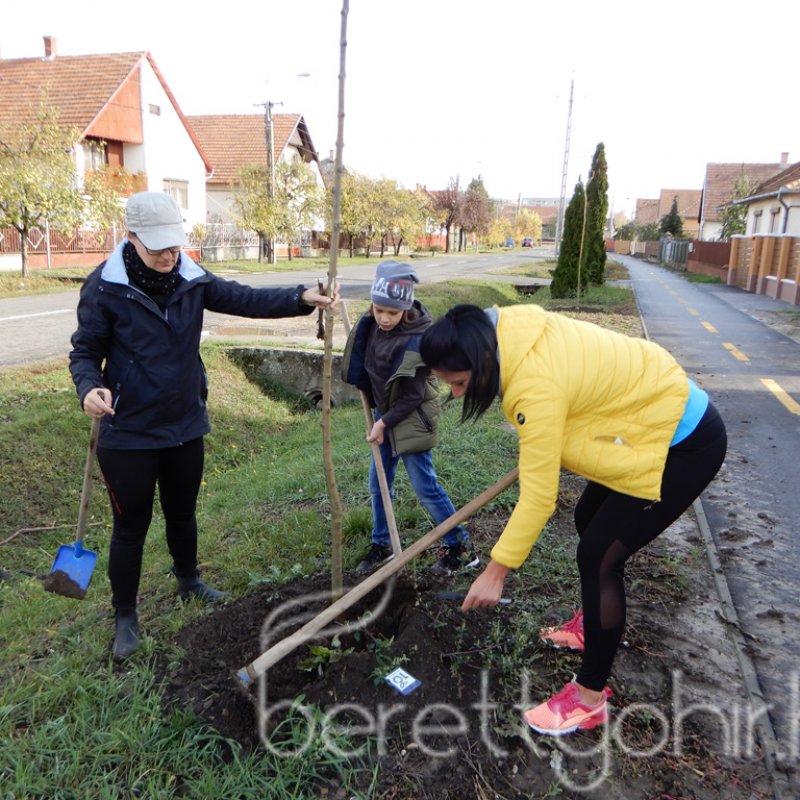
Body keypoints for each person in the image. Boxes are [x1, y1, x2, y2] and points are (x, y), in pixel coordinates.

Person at [419, 303, 727, 736]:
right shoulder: (511, 330)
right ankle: (590, 628)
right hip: (640, 419)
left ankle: (588, 699)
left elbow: (540, 497)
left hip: (680, 442)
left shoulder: (533, 384)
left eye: (459, 382)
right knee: (588, 516)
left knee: (600, 554)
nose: (455, 394)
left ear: (484, 358)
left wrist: (496, 571)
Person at [69, 191, 339, 660]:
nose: (169, 257)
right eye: (158, 249)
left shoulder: (190, 278)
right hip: (128, 430)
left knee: (183, 511)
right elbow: (85, 352)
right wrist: (89, 388)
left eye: (174, 246)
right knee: (130, 527)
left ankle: (189, 579)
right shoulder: (104, 288)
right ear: (130, 238)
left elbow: (242, 298)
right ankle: (125, 616)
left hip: (184, 423)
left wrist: (300, 299)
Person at [341, 260, 476, 576]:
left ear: (405, 308)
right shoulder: (371, 323)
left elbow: (413, 394)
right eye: (378, 310)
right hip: (383, 413)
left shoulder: (419, 339)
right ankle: (382, 543)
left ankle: (459, 546)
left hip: (411, 417)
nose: (384, 319)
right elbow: (366, 362)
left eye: (392, 312)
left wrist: (383, 422)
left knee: (424, 485)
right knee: (379, 483)